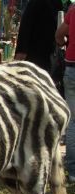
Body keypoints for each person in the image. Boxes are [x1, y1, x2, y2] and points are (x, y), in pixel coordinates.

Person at [15, 0, 64, 72]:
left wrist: (21, 50)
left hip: (43, 52)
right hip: (38, 51)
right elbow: (26, 26)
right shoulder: (56, 3)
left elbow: (25, 26)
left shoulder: (56, 3)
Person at [56, 5, 75, 183]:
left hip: (72, 67)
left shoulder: (73, 10)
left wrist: (64, 43)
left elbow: (59, 35)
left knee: (73, 122)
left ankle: (73, 170)